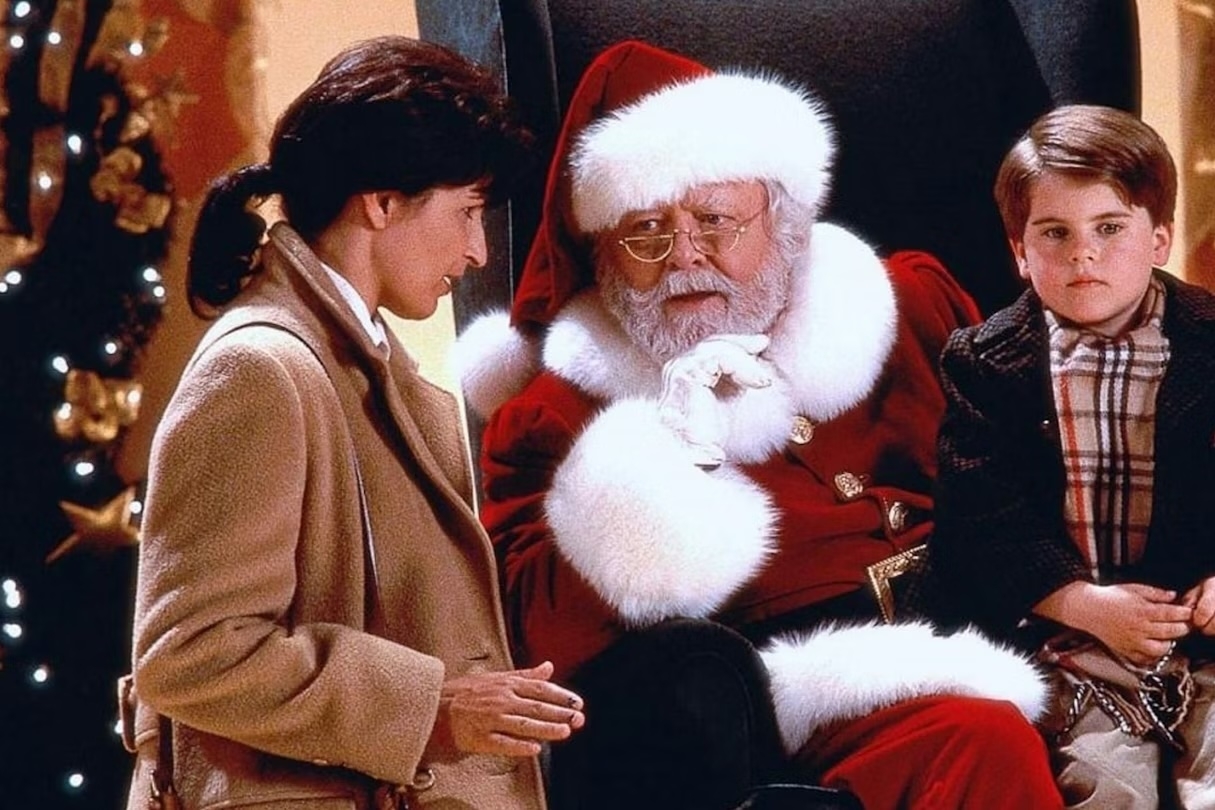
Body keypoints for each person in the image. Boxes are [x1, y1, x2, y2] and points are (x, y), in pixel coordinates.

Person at [452, 40, 1060, 810]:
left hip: (1005, 626)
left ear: (784, 220)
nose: (684, 257)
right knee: (984, 741)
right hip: (807, 706)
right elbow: (539, 648)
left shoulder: (906, 306)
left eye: (715, 219)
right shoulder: (554, 414)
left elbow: (1044, 465)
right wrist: (662, 454)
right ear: (599, 254)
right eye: (645, 232)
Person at [123, 36, 584, 810]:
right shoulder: (263, 369)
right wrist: (432, 708)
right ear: (381, 202)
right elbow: (191, 650)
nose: (476, 251)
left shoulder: (359, 367)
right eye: (466, 211)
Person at [928, 103, 1215, 809]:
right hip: (1069, 636)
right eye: (1054, 233)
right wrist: (1079, 602)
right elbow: (982, 512)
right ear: (1020, 251)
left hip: (1213, 633)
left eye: (1109, 229)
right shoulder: (986, 363)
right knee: (1098, 769)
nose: (1083, 254)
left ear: (1159, 238)